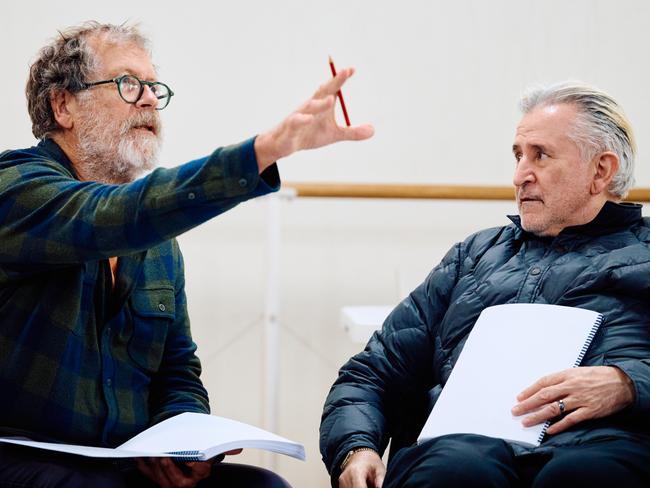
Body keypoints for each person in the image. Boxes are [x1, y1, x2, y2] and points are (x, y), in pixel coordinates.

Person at [0, 21, 373, 487]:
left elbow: (178, 369)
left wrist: (182, 443)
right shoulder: (15, 189)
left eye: (154, 87)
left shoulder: (158, 241)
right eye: (129, 84)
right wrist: (263, 151)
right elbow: (110, 217)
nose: (151, 99)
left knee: (265, 485)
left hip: (124, 463)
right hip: (24, 457)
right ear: (64, 105)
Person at [320, 82, 650, 488]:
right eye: (517, 156)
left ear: (601, 170)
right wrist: (356, 448)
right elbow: (373, 372)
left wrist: (630, 385)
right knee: (456, 469)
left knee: (583, 475)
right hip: (464, 452)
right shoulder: (474, 256)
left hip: (603, 448)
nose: (519, 176)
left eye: (540, 156)